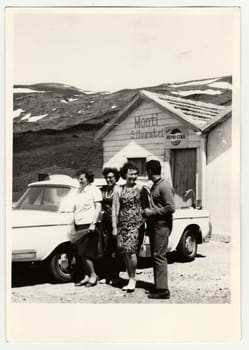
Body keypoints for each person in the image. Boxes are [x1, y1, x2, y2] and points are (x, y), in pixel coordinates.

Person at [143, 160, 175, 299]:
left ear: (149, 171)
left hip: (161, 225)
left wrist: (152, 212)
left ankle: (163, 290)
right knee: (156, 255)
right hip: (155, 225)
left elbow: (171, 207)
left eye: (147, 171)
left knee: (159, 256)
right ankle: (158, 286)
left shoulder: (163, 186)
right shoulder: (156, 186)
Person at [112, 162, 145, 292]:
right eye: (131, 174)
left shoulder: (141, 188)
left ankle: (132, 278)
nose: (134, 176)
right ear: (125, 174)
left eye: (136, 174)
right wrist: (115, 226)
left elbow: (145, 206)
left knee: (131, 251)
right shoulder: (118, 189)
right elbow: (115, 209)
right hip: (123, 224)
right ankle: (129, 276)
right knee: (125, 251)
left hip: (137, 224)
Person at [73, 168, 102, 287]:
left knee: (86, 254)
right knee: (80, 254)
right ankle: (86, 276)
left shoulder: (94, 190)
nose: (80, 180)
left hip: (89, 225)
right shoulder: (78, 191)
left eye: (82, 178)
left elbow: (98, 208)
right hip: (79, 225)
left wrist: (93, 223)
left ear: (88, 178)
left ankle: (93, 276)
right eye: (78, 177)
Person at [100, 167, 121, 284]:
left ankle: (115, 276)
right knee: (106, 250)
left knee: (115, 251)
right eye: (107, 177)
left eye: (111, 177)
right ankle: (107, 275)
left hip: (116, 222)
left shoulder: (119, 190)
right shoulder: (103, 190)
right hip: (105, 223)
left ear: (116, 178)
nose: (108, 179)